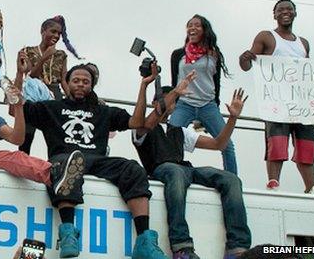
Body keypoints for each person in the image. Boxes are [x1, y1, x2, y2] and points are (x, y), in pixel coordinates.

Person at [20, 54, 195, 258]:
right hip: (65, 158)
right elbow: (18, 109)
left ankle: (144, 240)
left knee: (133, 169)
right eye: (76, 80)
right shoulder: (51, 108)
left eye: (86, 82)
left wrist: (144, 86)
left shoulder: (103, 111)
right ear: (66, 83)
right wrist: (20, 74)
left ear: (92, 86)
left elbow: (141, 123)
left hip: (97, 160)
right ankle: (67, 232)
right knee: (66, 164)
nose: (80, 85)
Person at [239, 0, 314, 193]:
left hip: (303, 103)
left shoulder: (303, 43)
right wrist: (245, 58)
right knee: (277, 143)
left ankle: (311, 186)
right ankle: (273, 182)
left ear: (295, 13)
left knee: (307, 145)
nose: (285, 12)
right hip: (277, 102)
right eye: (280, 9)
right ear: (275, 14)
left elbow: (308, 71)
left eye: (289, 9)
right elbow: (247, 65)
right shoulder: (266, 36)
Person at [132, 87, 251, 259]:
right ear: (154, 103)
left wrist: (232, 118)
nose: (169, 105)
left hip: (185, 169)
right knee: (175, 172)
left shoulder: (179, 130)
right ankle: (181, 246)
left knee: (230, 179)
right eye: (166, 100)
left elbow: (219, 144)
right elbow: (145, 127)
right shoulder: (142, 127)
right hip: (162, 169)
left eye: (173, 102)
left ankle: (237, 247)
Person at [169, 14, 237, 174]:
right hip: (184, 103)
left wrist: (216, 106)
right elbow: (175, 81)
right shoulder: (178, 54)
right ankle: (173, 173)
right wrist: (172, 102)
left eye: (197, 25)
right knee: (171, 138)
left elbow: (216, 82)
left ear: (205, 30)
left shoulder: (213, 55)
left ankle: (233, 179)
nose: (192, 28)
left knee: (227, 145)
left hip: (208, 105)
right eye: (189, 25)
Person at [17, 15, 82, 154]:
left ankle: (57, 165)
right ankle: (22, 162)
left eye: (59, 33)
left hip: (54, 93)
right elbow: (31, 75)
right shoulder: (28, 51)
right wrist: (45, 57)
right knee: (27, 133)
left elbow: (64, 80)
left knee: (56, 135)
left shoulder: (61, 55)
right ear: (43, 31)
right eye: (53, 31)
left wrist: (72, 99)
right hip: (33, 93)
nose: (56, 36)